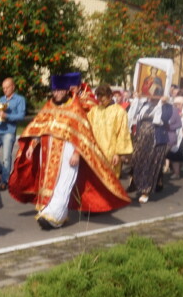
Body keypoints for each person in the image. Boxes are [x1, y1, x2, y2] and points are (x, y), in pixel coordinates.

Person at [9, 73, 130, 229]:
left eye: (60, 90)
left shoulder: (75, 107)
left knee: (64, 183)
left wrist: (77, 153)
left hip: (68, 151)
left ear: (66, 91)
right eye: (54, 91)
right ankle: (52, 211)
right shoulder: (49, 106)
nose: (57, 93)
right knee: (48, 183)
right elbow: (40, 127)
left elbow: (83, 134)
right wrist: (33, 145)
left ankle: (54, 217)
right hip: (47, 151)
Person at [128, 93, 173, 204]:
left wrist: (163, 103)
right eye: (151, 93)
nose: (152, 96)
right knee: (137, 162)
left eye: (155, 94)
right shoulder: (144, 105)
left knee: (150, 165)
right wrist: (137, 99)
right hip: (141, 140)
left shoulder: (167, 107)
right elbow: (133, 117)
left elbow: (164, 119)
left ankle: (146, 191)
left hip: (155, 141)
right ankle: (136, 185)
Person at [0, 77, 25, 191]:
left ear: (13, 87)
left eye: (7, 87)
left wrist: (7, 116)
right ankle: (2, 173)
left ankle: (4, 182)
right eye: (3, 88)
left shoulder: (19, 99)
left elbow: (21, 116)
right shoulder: (1, 99)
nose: (5, 90)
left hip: (9, 131)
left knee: (6, 158)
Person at [87, 84, 133, 178]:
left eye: (103, 100)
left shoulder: (120, 112)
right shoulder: (94, 111)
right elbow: (87, 128)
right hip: (96, 153)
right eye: (99, 100)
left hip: (111, 154)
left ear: (110, 96)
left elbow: (122, 134)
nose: (101, 103)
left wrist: (118, 154)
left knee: (110, 181)